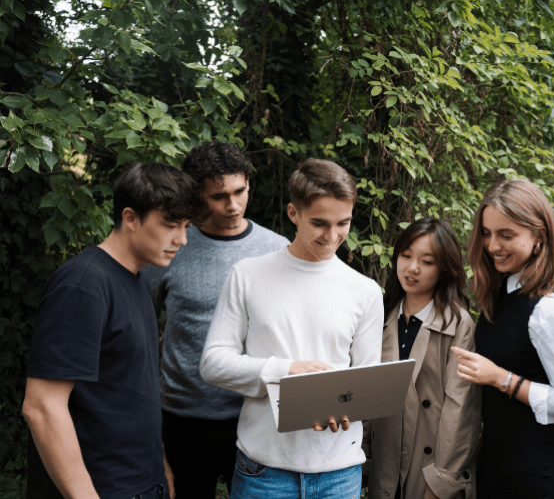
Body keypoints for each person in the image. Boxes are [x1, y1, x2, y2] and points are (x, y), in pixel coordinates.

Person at [200, 158, 384, 499]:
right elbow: (213, 364)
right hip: (264, 471)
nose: (332, 236)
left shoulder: (365, 291)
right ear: (293, 213)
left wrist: (345, 405)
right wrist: (286, 371)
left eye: (343, 223)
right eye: (319, 223)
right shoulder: (248, 274)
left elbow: (367, 380)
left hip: (339, 474)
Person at [22, 162, 203, 499]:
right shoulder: (83, 285)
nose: (182, 239)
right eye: (170, 225)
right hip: (102, 488)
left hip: (143, 481)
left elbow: (133, 388)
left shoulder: (138, 278)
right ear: (130, 218)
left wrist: (158, 464)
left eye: (186, 225)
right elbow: (42, 406)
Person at [141, 143, 289, 498]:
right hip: (182, 417)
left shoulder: (278, 249)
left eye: (240, 192)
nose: (233, 205)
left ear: (250, 184)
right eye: (219, 196)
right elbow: (139, 330)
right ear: (198, 195)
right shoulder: (172, 246)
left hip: (254, 411)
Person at [452, 179, 554, 498]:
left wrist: (501, 378)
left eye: (507, 235)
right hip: (499, 466)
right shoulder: (503, 291)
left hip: (537, 477)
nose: (492, 246)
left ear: (539, 237)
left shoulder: (551, 310)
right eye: (487, 233)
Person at [364, 218, 480, 499]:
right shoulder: (380, 313)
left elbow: (460, 409)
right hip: (384, 461)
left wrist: (442, 481)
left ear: (444, 269)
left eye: (427, 261)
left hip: (430, 464)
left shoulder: (458, 323)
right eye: (405, 256)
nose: (412, 268)